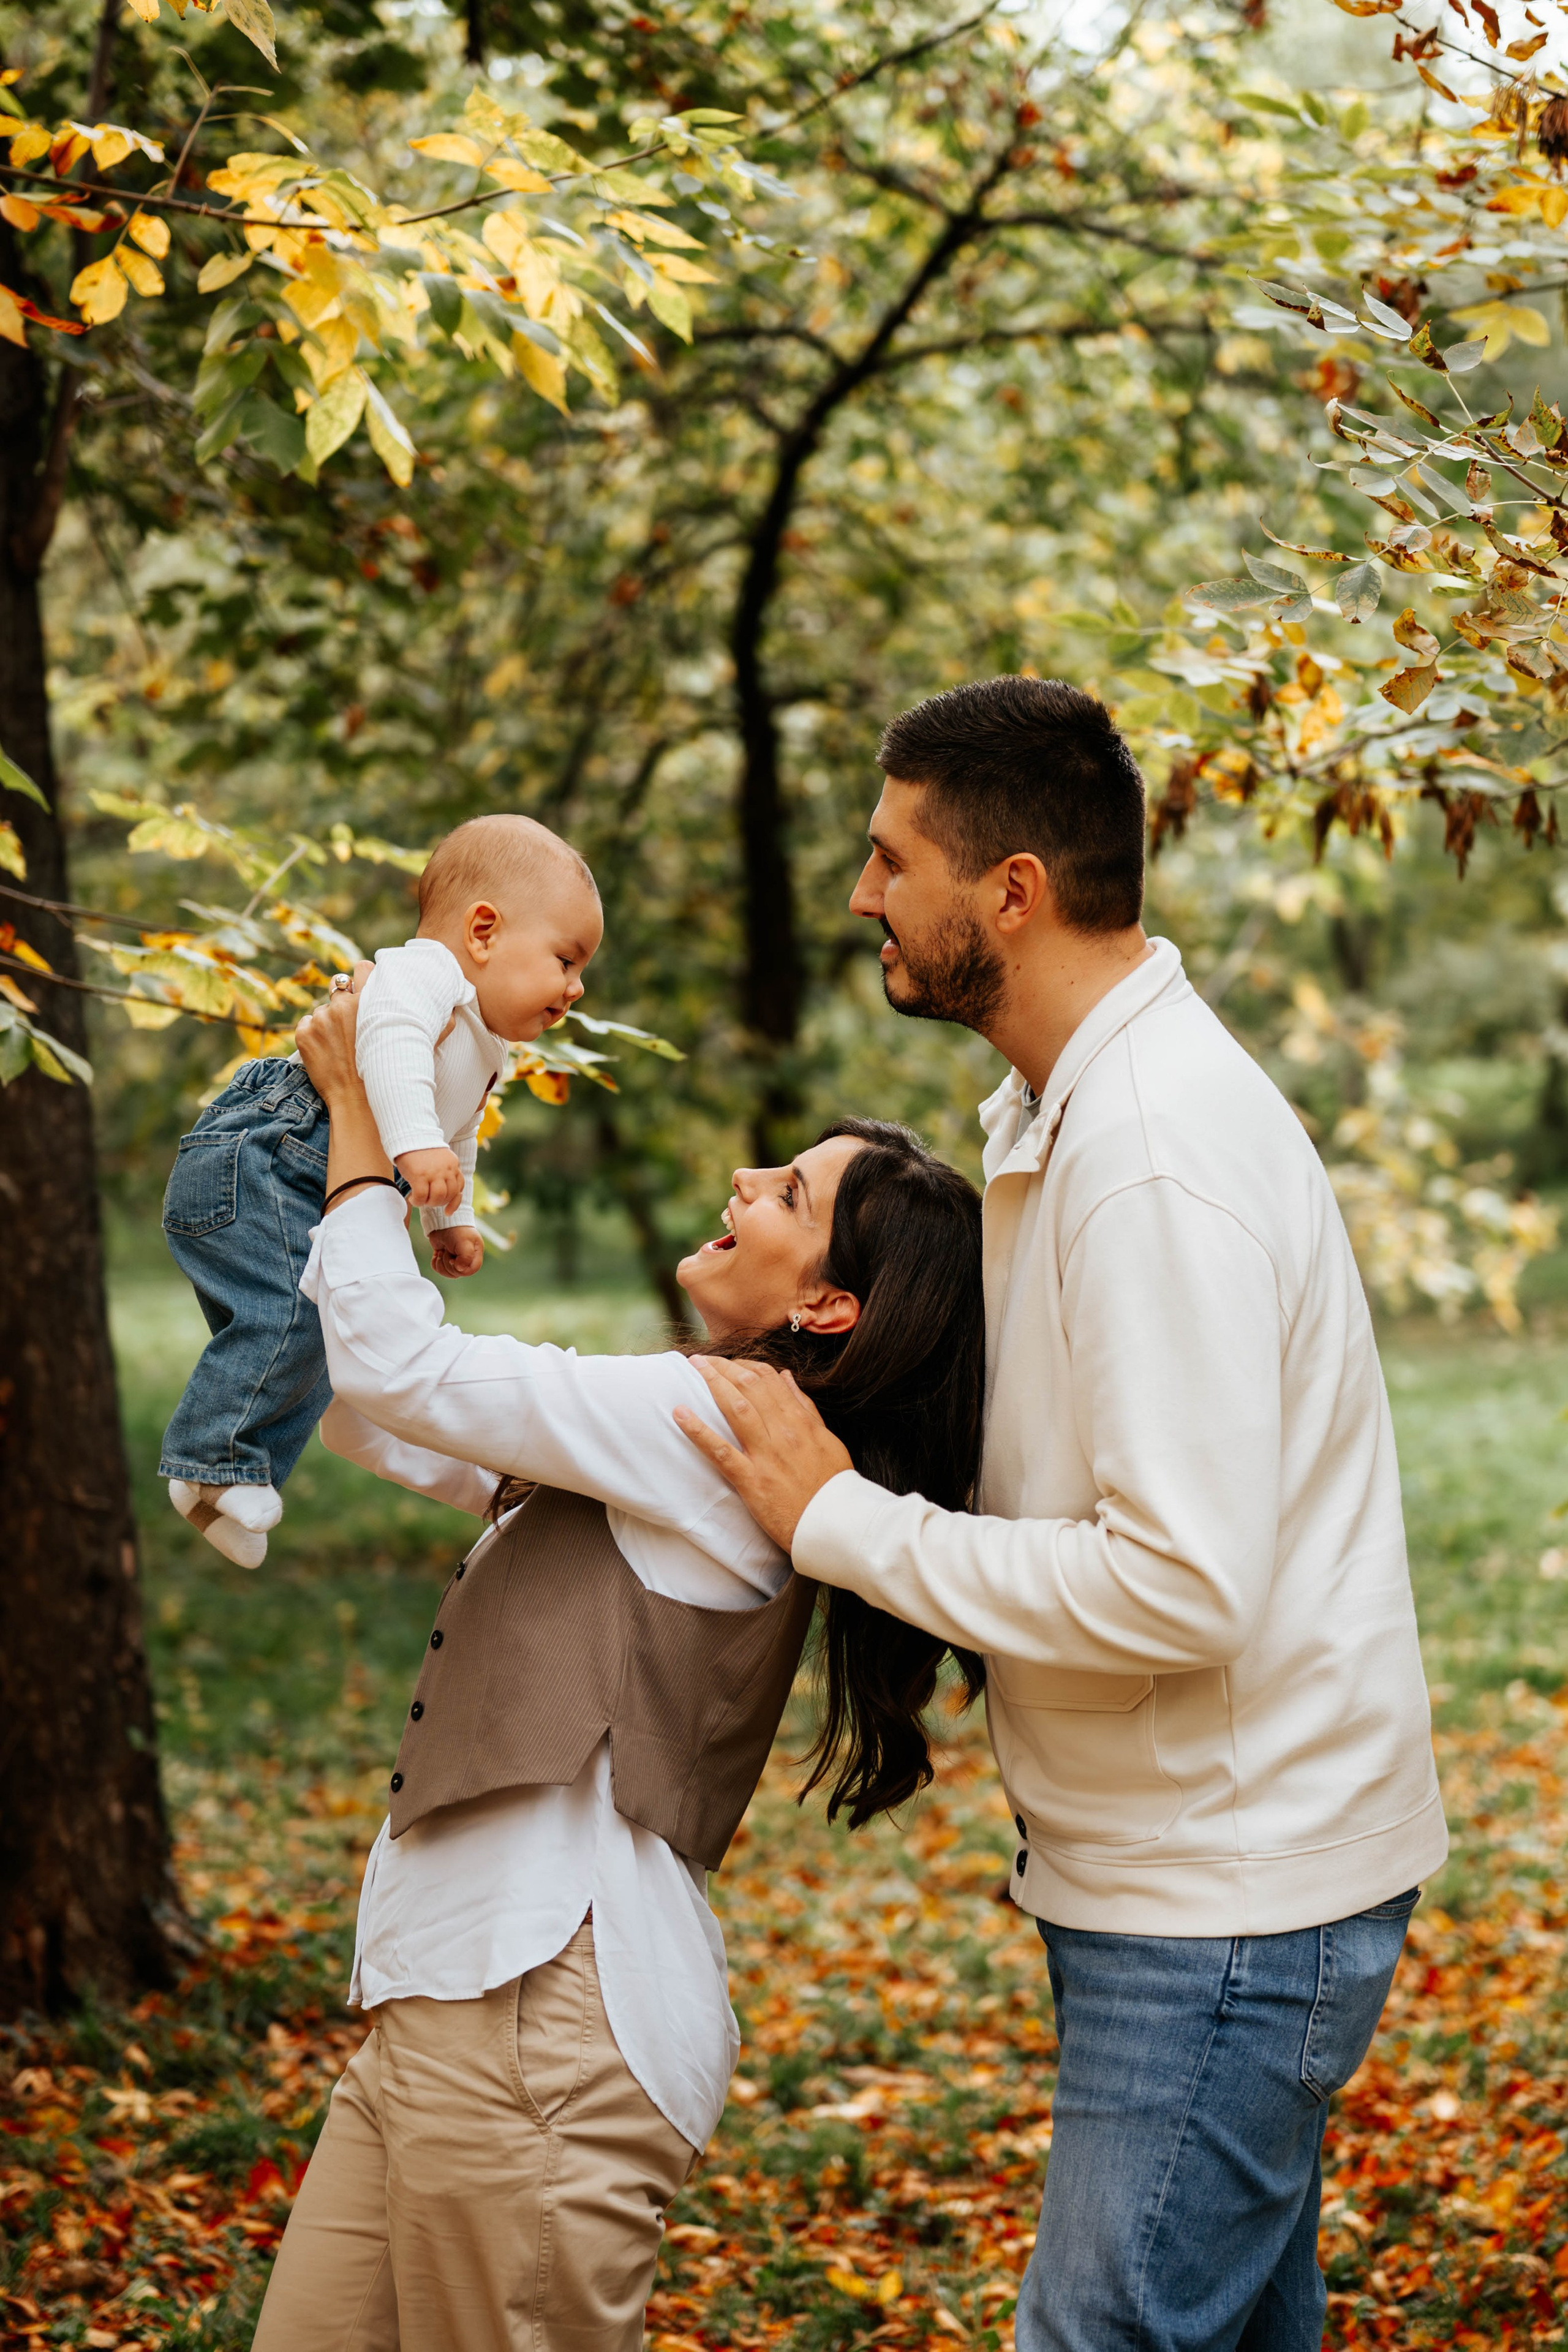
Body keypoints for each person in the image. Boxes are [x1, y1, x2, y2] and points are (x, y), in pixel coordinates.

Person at [677, 676, 1448, 2352]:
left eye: (893, 859)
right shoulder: (1066, 1115)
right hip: (1178, 1882)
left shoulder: (1154, 1153)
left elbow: (1181, 1585)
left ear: (1009, 892)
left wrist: (841, 1525)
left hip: (1228, 1904)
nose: (865, 894)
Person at [251, 970, 986, 2352]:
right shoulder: (693, 1436)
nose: (741, 1176)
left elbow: (403, 1374)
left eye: (787, 1192)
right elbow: (372, 1408)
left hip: (539, 2032)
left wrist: (366, 1122)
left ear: (827, 1306)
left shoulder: (714, 1420)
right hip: (451, 2013)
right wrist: (404, 1129)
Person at [160, 813, 601, 1567]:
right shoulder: (427, 975)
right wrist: (416, 1146)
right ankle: (211, 1459)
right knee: (291, 1315)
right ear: (484, 930)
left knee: (328, 1329)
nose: (577, 984)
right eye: (566, 958)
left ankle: (226, 1482)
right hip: (267, 1151)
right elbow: (388, 1041)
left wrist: (448, 1216)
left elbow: (454, 1131)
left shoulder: (485, 1041)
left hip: (305, 1168)